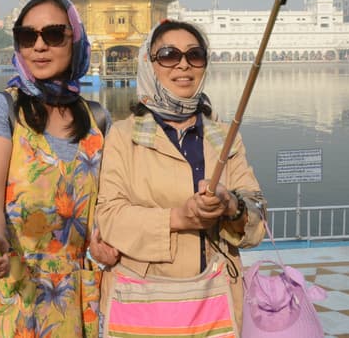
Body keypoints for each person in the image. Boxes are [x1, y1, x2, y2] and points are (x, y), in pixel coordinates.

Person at [95, 19, 266, 335]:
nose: (183, 65)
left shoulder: (223, 137)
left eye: (195, 55)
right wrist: (178, 218)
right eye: (169, 55)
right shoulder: (123, 135)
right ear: (150, 63)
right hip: (143, 297)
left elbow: (256, 219)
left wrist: (231, 206)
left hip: (216, 295)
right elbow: (110, 217)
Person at [0, 0, 119, 337]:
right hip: (11, 281)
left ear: (74, 40)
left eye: (52, 35)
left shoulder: (97, 118)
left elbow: (105, 203)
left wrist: (102, 241)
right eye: (27, 36)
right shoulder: (3, 109)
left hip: (74, 289)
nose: (39, 46)